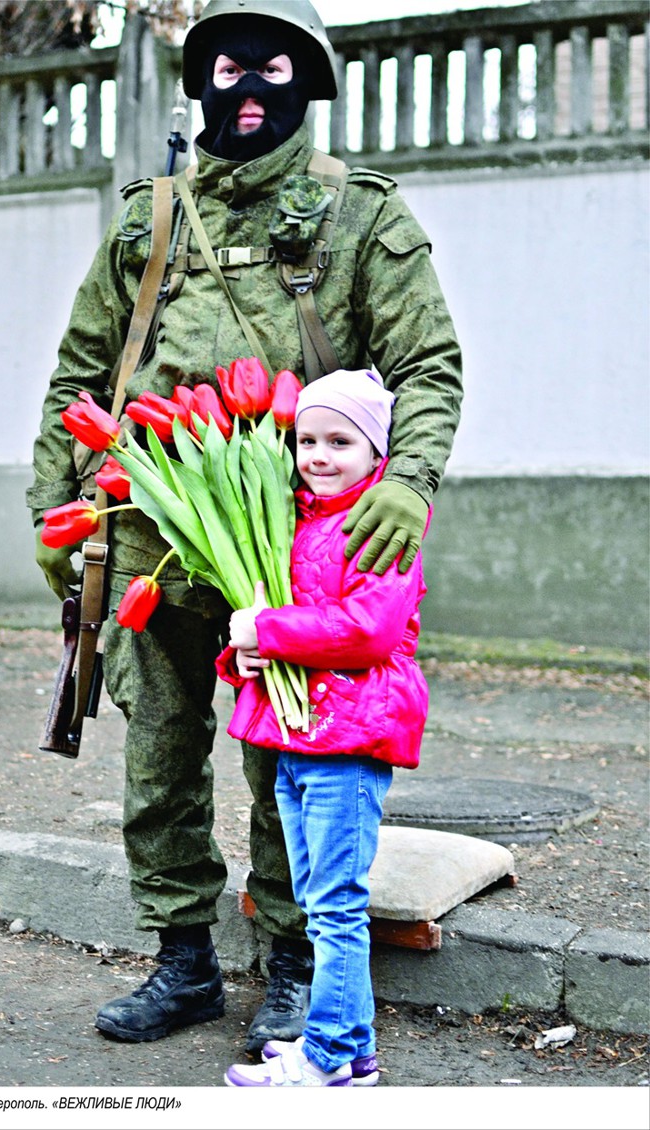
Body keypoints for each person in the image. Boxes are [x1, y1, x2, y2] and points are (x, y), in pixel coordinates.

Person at [27, 0, 462, 1053]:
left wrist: (405, 481)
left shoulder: (358, 216)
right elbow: (78, 376)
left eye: (273, 64)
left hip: (293, 544)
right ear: (200, 80)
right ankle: (179, 957)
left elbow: (426, 365)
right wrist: (53, 517)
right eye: (228, 65)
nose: (249, 84)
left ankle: (292, 963)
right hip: (146, 532)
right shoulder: (149, 218)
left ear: (308, 79)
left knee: (289, 755)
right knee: (160, 754)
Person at [218, 368, 428, 1087]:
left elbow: (368, 631)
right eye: (307, 438)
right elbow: (280, 627)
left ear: (377, 453)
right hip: (296, 737)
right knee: (315, 899)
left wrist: (268, 629)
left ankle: (330, 1058)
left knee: (337, 906)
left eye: (341, 440)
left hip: (349, 736)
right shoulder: (298, 519)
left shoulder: (382, 526)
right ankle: (355, 1048)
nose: (319, 453)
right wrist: (245, 649)